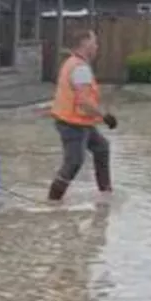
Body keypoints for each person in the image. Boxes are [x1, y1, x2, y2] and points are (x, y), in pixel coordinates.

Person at [47, 29, 117, 202]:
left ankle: (105, 193)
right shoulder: (80, 69)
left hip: (77, 121)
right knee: (74, 162)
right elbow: (84, 103)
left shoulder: (72, 62)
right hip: (73, 124)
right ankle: (52, 201)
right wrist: (105, 116)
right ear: (86, 44)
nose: (97, 47)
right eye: (95, 43)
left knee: (101, 147)